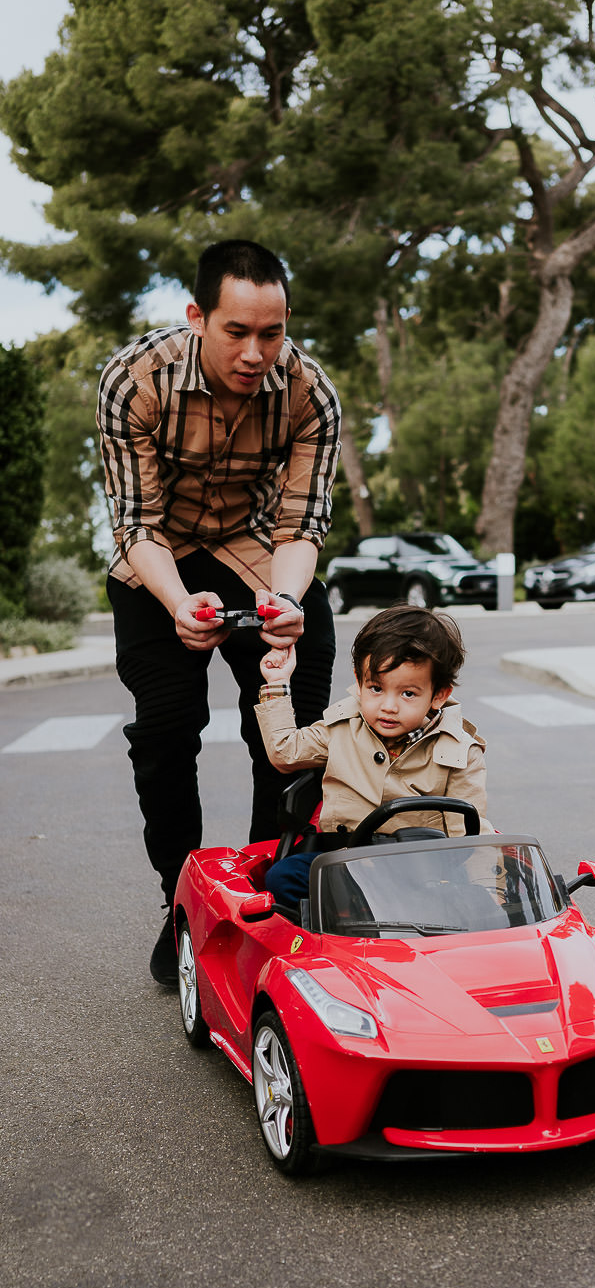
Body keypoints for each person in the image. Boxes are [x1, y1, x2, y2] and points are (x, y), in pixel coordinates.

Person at [97, 238, 341, 988]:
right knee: (168, 727)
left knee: (293, 716)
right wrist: (176, 604)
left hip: (256, 544)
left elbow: (303, 524)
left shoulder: (310, 393)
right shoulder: (134, 382)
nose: (256, 352)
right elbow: (136, 525)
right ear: (198, 315)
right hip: (159, 556)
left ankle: (274, 893)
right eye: (237, 332)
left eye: (272, 332)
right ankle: (184, 907)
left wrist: (291, 602)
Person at [255, 606, 489, 907]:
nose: (388, 706)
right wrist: (276, 684)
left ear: (439, 695)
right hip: (345, 864)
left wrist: (486, 895)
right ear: (359, 680)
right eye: (376, 688)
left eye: (408, 694)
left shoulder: (460, 752)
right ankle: (318, 936)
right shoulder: (341, 728)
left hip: (421, 874)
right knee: (283, 877)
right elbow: (284, 753)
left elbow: (468, 836)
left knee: (467, 897)